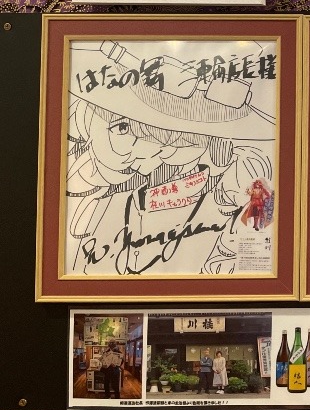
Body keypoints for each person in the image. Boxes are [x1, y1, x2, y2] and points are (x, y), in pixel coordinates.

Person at [64, 40, 277, 277]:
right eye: (124, 129)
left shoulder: (245, 177)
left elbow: (258, 241)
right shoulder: (111, 199)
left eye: (176, 140)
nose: (148, 151)